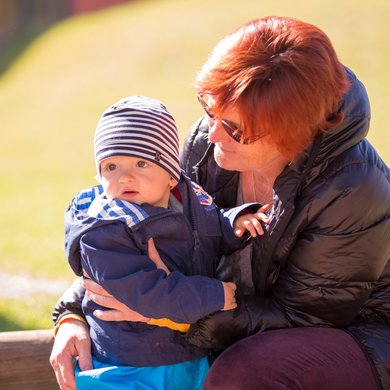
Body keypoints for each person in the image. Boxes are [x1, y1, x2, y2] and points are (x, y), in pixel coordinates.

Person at [50, 16, 390, 390]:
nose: (212, 133)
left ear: (289, 130)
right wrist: (73, 314)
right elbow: (141, 229)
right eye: (212, 110)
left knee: (241, 372)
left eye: (235, 128)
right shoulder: (209, 143)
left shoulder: (352, 188)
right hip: (223, 309)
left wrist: (180, 313)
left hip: (359, 335)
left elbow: (304, 316)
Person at [62, 95, 268, 389]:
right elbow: (144, 292)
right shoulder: (105, 229)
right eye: (111, 167)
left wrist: (232, 221)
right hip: (130, 364)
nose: (125, 177)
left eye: (141, 162)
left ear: (171, 174)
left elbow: (207, 227)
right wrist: (212, 295)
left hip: (186, 354)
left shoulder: (189, 198)